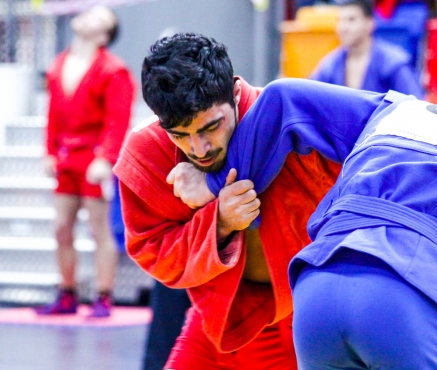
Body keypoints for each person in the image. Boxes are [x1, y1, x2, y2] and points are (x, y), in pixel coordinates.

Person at [170, 79, 437, 369]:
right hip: (404, 291)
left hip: (313, 289)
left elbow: (282, 98)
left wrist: (217, 185)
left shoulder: (405, 108)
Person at [113, 33, 341, 369]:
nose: (199, 148)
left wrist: (212, 186)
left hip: (304, 316)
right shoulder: (148, 150)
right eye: (180, 135)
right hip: (217, 318)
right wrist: (218, 223)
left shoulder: (293, 123)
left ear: (235, 94)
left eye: (211, 127)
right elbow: (153, 249)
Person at [37, 5, 135, 318]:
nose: (88, 16)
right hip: (66, 158)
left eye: (98, 18)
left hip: (93, 159)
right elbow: (52, 114)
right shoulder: (59, 64)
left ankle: (103, 295)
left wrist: (106, 158)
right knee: (61, 227)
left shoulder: (114, 70)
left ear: (105, 35)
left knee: (99, 229)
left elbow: (117, 120)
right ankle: (67, 293)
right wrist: (49, 152)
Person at [311, 0, 424, 97]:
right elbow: (308, 96)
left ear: (370, 23)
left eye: (351, 20)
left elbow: (415, 105)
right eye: (340, 20)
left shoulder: (393, 63)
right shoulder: (331, 63)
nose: (343, 27)